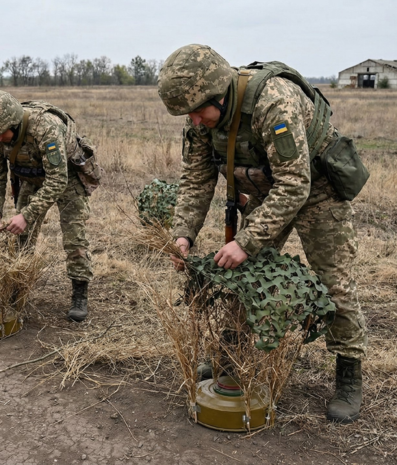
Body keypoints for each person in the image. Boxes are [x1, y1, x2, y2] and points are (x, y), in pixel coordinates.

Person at [157, 44, 368, 424]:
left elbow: (295, 185)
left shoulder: (274, 101)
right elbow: (196, 180)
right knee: (241, 276)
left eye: (198, 111)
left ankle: (349, 374)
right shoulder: (200, 118)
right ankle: (231, 358)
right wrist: (184, 234)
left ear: (219, 95)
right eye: (187, 114)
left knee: (334, 283)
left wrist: (246, 241)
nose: (194, 121)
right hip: (269, 189)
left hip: (316, 188)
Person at [0, 90, 96, 322]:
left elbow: (57, 180)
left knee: (74, 238)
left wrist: (26, 214)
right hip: (31, 178)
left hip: (66, 178)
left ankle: (79, 293)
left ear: (13, 122)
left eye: (1, 134)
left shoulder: (45, 127)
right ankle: (19, 288)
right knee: (22, 238)